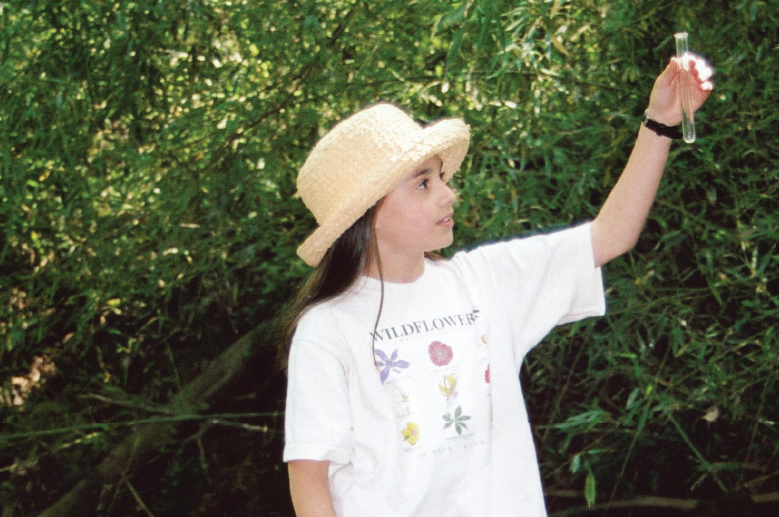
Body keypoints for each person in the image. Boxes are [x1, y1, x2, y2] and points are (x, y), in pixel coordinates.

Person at [282, 54, 714, 516]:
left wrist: (660, 123)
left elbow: (610, 235)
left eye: (442, 177)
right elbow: (309, 480)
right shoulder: (328, 329)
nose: (449, 193)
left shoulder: (484, 281)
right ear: (365, 216)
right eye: (423, 184)